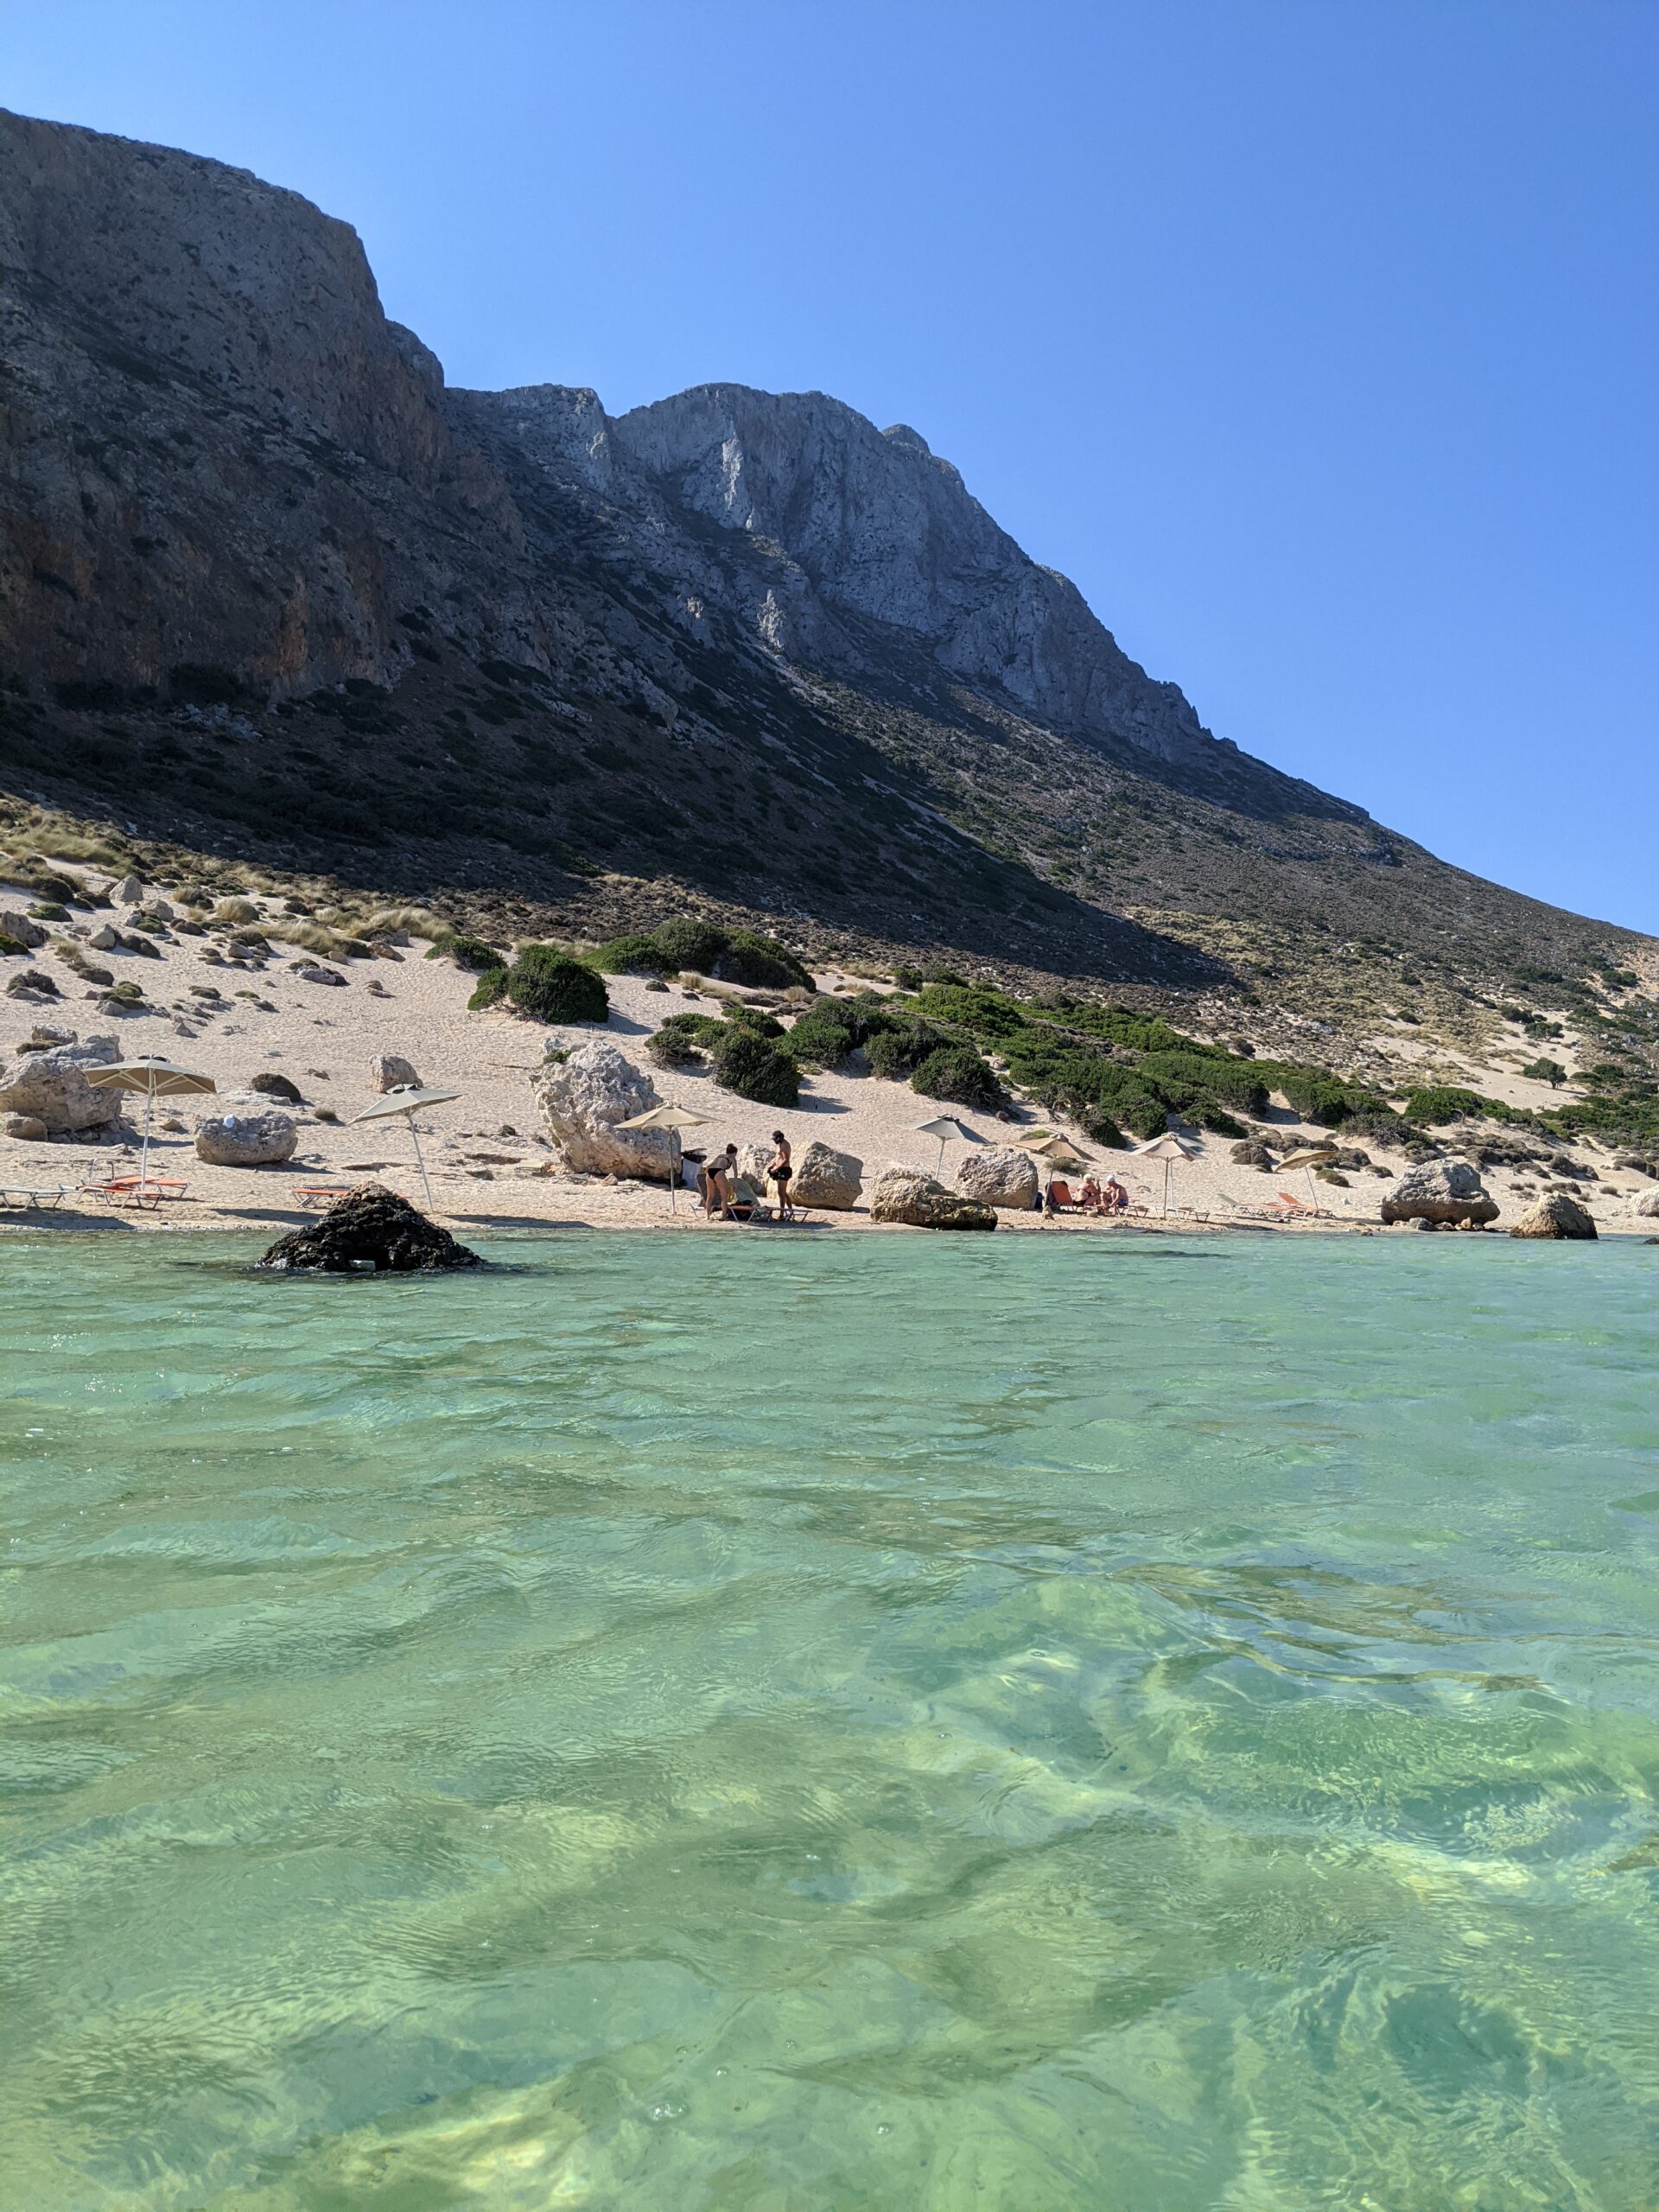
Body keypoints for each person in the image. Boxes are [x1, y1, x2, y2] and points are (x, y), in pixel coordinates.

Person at [702, 1142, 738, 1218]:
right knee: (724, 1196)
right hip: (719, 1172)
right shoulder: (732, 1158)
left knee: (710, 1196)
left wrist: (706, 1172)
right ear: (734, 1153)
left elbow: (708, 1165)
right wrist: (735, 1183)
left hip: (710, 1172)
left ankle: (707, 1216)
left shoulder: (720, 1156)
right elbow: (735, 1171)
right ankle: (724, 1216)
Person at [768, 1130, 793, 1215]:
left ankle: (782, 1214)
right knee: (782, 1192)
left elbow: (786, 1159)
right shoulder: (779, 1145)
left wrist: (776, 1169)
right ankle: (790, 1211)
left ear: (780, 1137)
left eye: (775, 1139)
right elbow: (778, 1158)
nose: (774, 1141)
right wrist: (773, 1165)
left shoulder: (784, 1145)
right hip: (780, 1169)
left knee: (781, 1192)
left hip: (784, 1170)